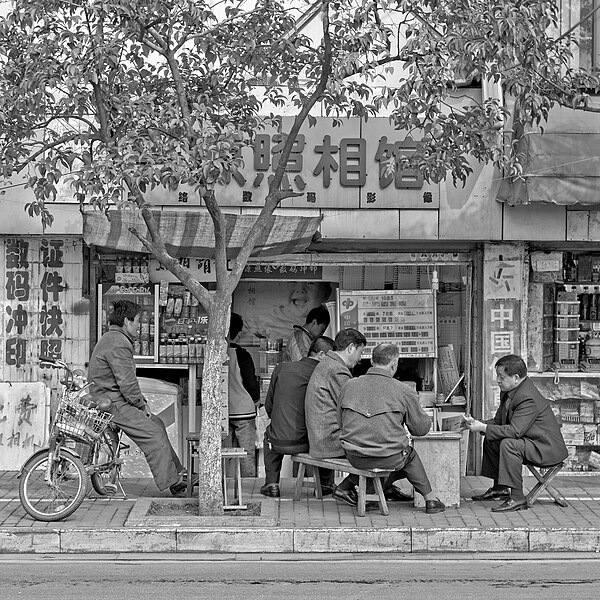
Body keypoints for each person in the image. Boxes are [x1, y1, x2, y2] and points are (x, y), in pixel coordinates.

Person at [88, 300, 188, 496]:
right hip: (111, 403)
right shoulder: (118, 342)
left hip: (113, 398)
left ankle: (178, 473)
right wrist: (141, 405)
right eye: (136, 321)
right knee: (154, 433)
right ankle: (172, 482)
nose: (138, 326)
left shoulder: (111, 338)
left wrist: (142, 404)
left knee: (157, 423)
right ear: (126, 321)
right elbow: (127, 383)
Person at [338, 343, 446, 514]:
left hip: (354, 455)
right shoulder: (403, 390)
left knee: (385, 455)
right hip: (389, 457)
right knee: (407, 455)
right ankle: (430, 499)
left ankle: (369, 494)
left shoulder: (349, 385)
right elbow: (420, 429)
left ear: (372, 361)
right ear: (395, 364)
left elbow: (340, 421)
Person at [465, 354, 568, 512]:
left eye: (501, 377)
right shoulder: (509, 391)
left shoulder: (527, 397)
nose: (498, 380)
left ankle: (517, 497)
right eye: (497, 376)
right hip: (531, 441)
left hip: (546, 448)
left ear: (516, 377)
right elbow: (499, 422)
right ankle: (500, 488)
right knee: (492, 438)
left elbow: (514, 431)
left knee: (509, 444)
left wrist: (482, 428)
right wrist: (477, 423)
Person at [260, 336, 335, 498]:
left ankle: (272, 483)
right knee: (328, 435)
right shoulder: (323, 374)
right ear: (321, 355)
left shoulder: (281, 368)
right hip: (308, 442)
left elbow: (269, 406)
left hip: (279, 440)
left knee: (269, 437)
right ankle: (325, 485)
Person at [305, 328, 368, 507]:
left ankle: (374, 489)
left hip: (322, 435)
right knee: (382, 448)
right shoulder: (337, 370)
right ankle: (347, 488)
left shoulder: (328, 364)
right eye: (360, 351)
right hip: (329, 440)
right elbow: (352, 407)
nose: (360, 358)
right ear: (350, 348)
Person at [227, 312, 261, 477]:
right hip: (243, 412)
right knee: (246, 453)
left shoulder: (217, 354)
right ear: (238, 333)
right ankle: (249, 485)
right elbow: (250, 381)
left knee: (224, 453)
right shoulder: (243, 355)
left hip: (223, 412)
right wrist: (256, 399)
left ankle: (225, 482)